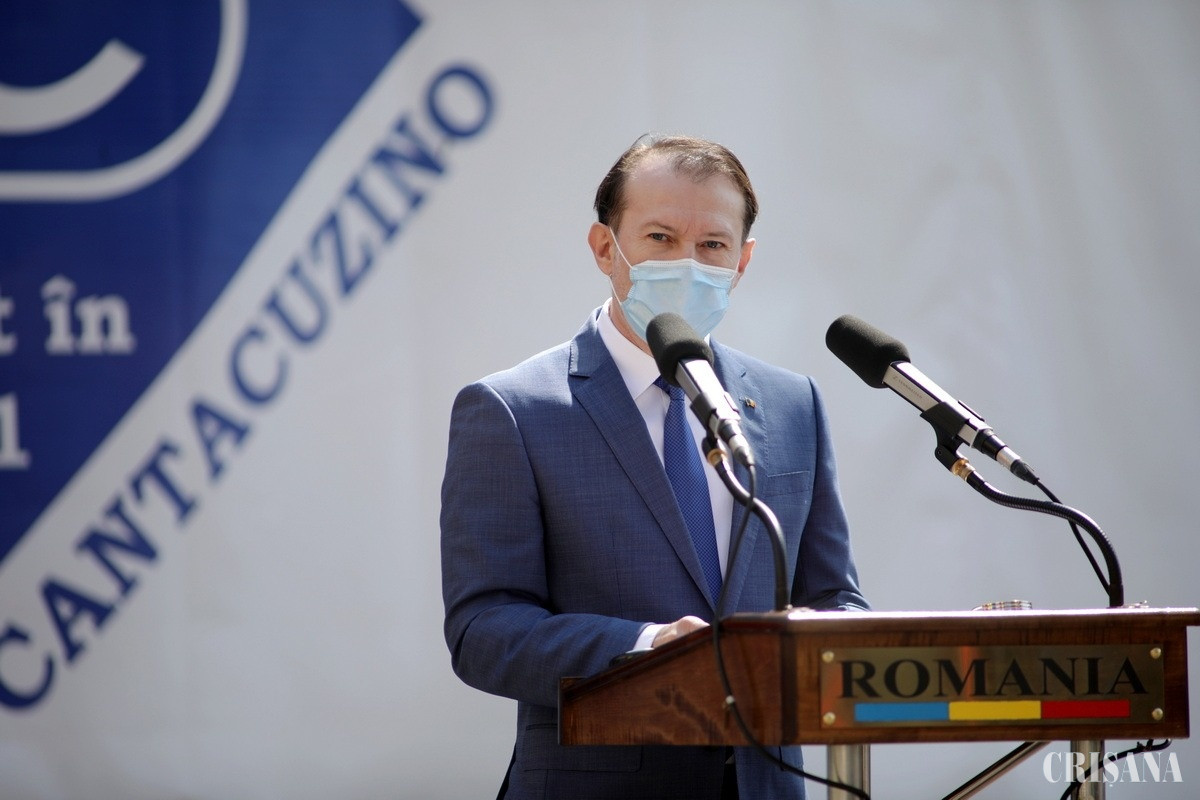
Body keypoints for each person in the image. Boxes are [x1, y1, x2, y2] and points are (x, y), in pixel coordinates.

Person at [440, 134, 868, 799]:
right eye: (661, 238)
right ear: (604, 247)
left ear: (743, 261)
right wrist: (646, 646)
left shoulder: (791, 405)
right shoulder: (513, 410)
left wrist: (832, 639)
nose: (687, 264)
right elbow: (483, 631)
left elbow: (833, 597)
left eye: (713, 245)